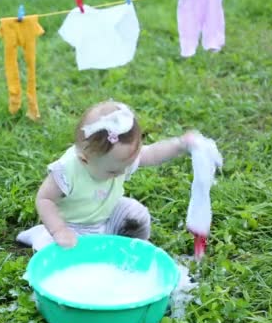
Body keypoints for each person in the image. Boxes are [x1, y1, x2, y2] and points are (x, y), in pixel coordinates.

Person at [16, 100, 198, 250]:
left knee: (135, 212)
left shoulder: (119, 160)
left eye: (126, 166)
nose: (121, 173)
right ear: (84, 159)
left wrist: (179, 145)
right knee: (50, 246)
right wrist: (59, 230)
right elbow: (45, 199)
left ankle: (135, 247)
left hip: (107, 217)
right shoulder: (68, 170)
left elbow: (151, 154)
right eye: (113, 171)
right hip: (73, 227)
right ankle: (40, 234)